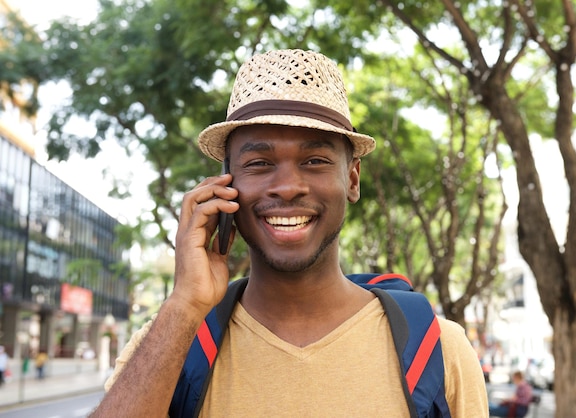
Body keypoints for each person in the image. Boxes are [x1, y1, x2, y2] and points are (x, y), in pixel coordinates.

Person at [90, 49, 488, 417]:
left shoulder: (440, 350)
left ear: (351, 179)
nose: (287, 186)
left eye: (314, 160)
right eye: (259, 163)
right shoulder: (171, 344)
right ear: (224, 186)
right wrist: (184, 304)